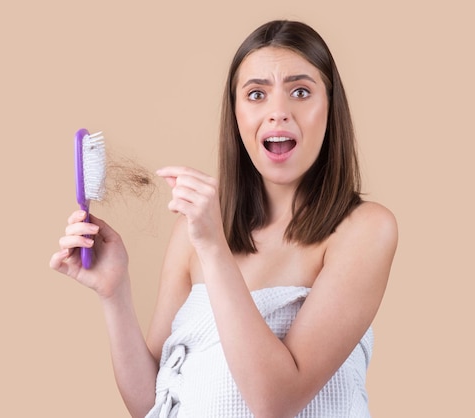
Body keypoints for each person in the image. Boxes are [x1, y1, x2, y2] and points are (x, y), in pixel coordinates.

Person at [50, 19, 398, 418]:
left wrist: (214, 248)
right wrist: (115, 293)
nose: (278, 113)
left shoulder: (365, 230)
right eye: (256, 95)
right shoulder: (194, 230)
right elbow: (153, 403)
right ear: (235, 115)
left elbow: (275, 402)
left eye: (301, 92)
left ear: (331, 108)